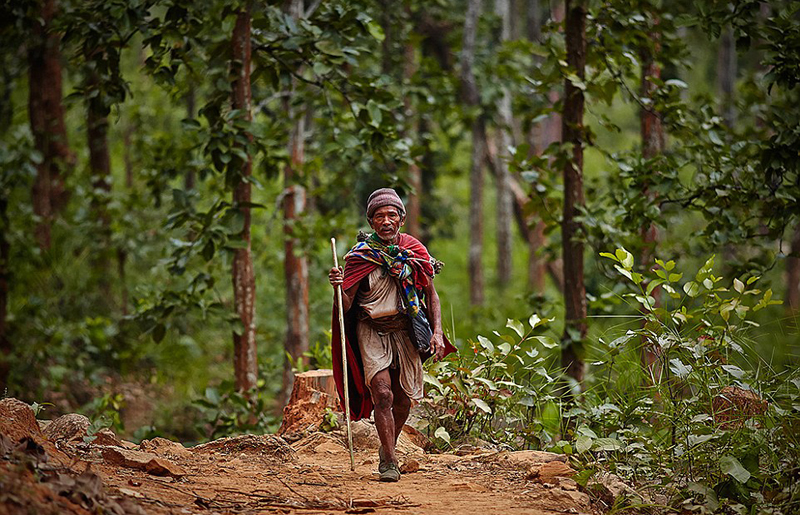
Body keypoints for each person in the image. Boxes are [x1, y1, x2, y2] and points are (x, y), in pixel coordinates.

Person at [329, 188, 456, 482]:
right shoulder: (359, 257)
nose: (386, 221)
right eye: (379, 216)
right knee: (382, 394)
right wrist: (337, 287)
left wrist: (437, 332)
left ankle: (387, 447)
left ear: (401, 219)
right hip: (371, 330)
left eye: (391, 215)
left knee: (402, 401)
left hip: (405, 329)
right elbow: (346, 305)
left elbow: (431, 295)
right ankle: (389, 461)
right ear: (371, 222)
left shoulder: (414, 251)